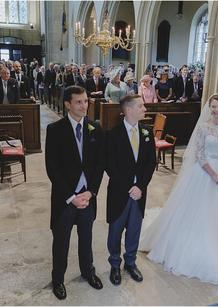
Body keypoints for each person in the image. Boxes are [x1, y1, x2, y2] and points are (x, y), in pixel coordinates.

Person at [140, 94, 218, 285]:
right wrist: (213, 174)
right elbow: (200, 154)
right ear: (209, 108)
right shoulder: (203, 127)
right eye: (214, 107)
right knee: (198, 213)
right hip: (204, 173)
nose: (217, 110)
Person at [45, 86, 105, 300]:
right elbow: (53, 168)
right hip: (65, 198)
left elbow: (99, 165)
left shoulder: (94, 128)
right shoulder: (55, 129)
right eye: (79, 102)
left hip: (87, 197)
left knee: (86, 238)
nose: (84, 106)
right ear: (67, 104)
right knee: (61, 241)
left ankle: (88, 271)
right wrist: (71, 196)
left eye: (86, 101)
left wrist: (91, 192)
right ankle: (58, 279)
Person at [106, 94, 156, 286]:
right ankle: (114, 264)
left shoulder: (146, 132)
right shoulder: (113, 134)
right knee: (116, 230)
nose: (145, 109)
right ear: (128, 110)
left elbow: (151, 162)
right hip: (120, 192)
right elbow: (110, 165)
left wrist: (140, 187)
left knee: (134, 229)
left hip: (139, 193)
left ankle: (131, 263)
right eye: (141, 106)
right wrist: (130, 187)